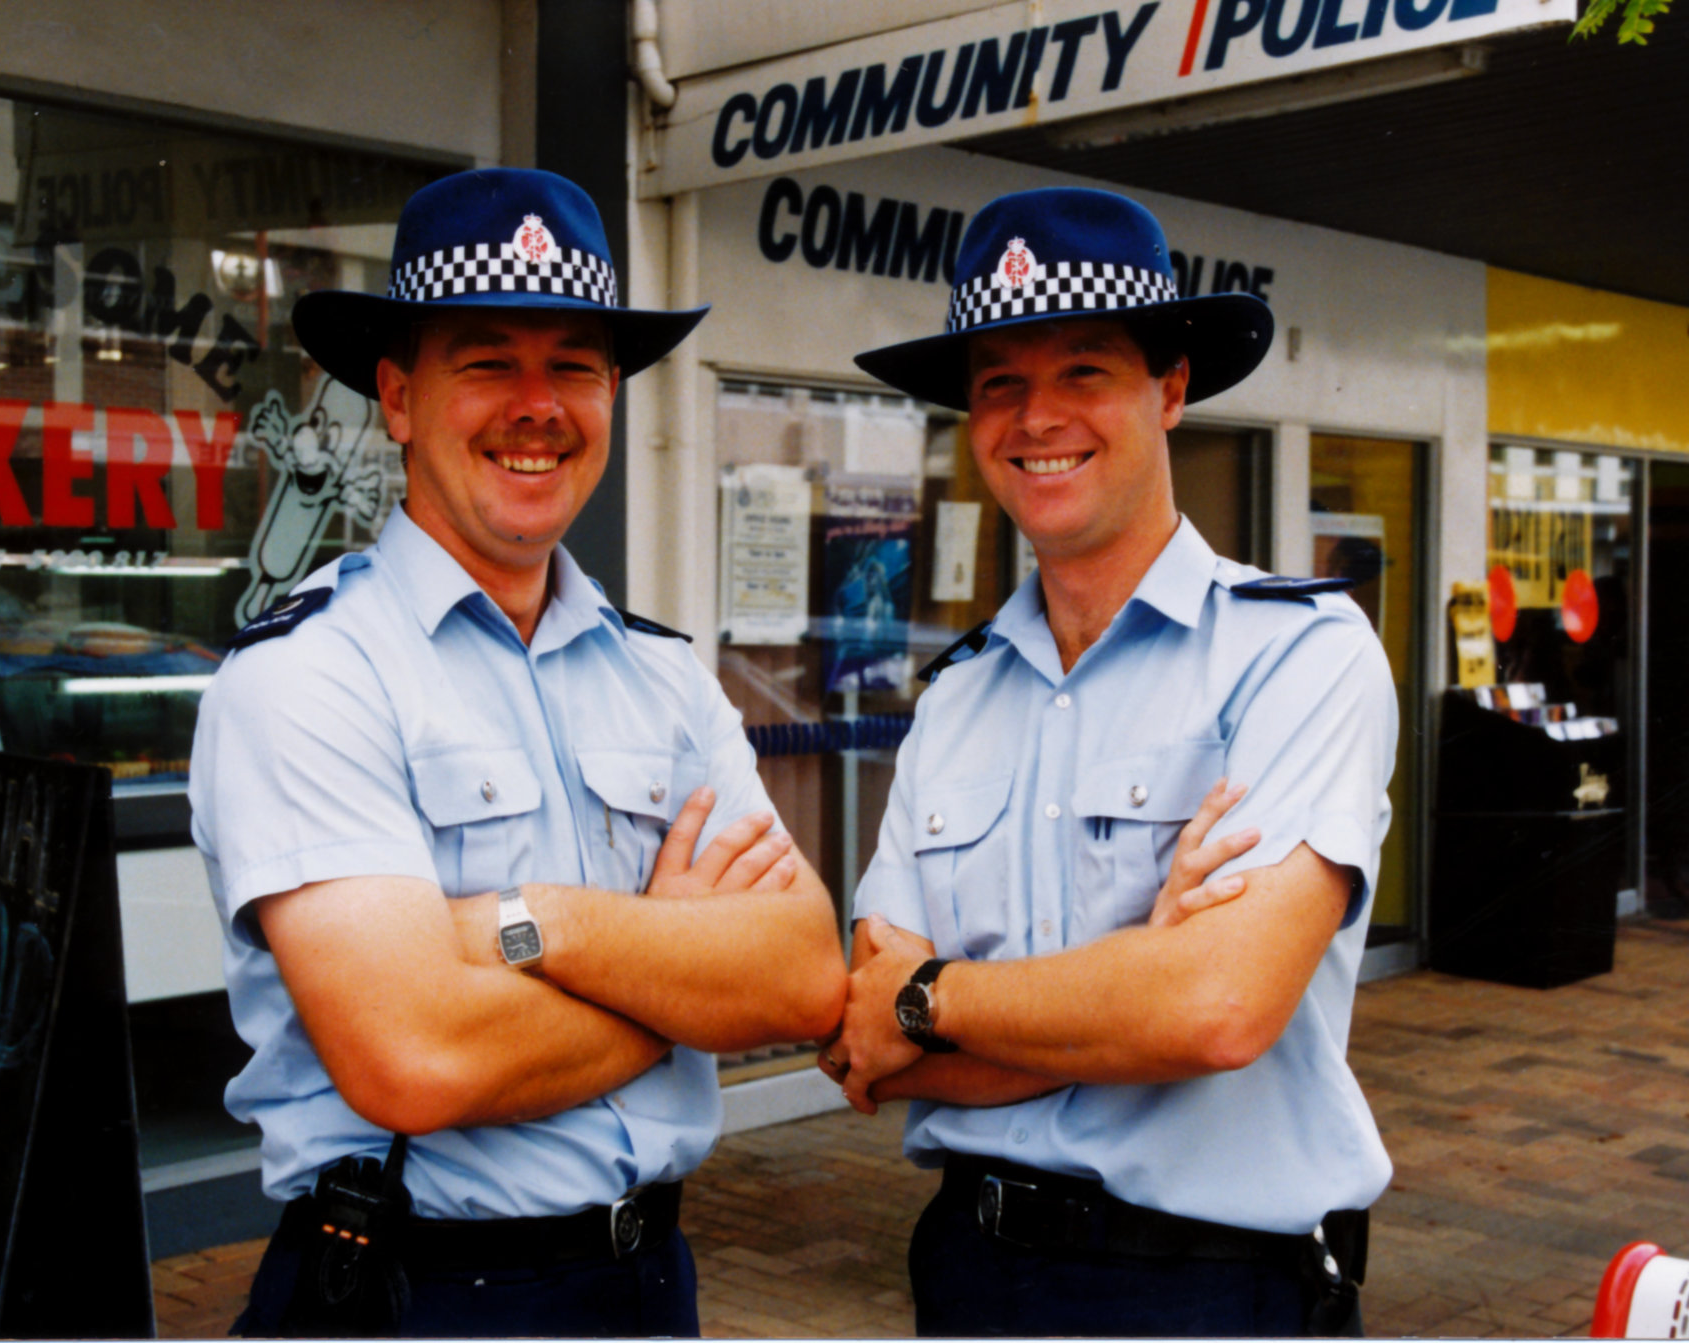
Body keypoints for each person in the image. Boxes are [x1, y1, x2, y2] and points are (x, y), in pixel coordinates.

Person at [187, 168, 848, 1338]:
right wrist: (685, 985)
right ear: (396, 397)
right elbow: (415, 1061)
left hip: (648, 1282)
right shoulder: (311, 676)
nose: (536, 403)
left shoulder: (662, 676)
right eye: (487, 360)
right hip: (406, 1291)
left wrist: (537, 923)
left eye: (575, 366)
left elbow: (800, 978)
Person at [824, 186, 1399, 1337]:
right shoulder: (956, 699)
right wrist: (1130, 981)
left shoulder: (1297, 656)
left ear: (1169, 387)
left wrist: (936, 996)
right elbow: (863, 1047)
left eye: (1083, 370)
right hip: (970, 1274)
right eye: (999, 383)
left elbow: (1217, 1008)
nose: (1037, 417)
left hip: (1207, 1288)